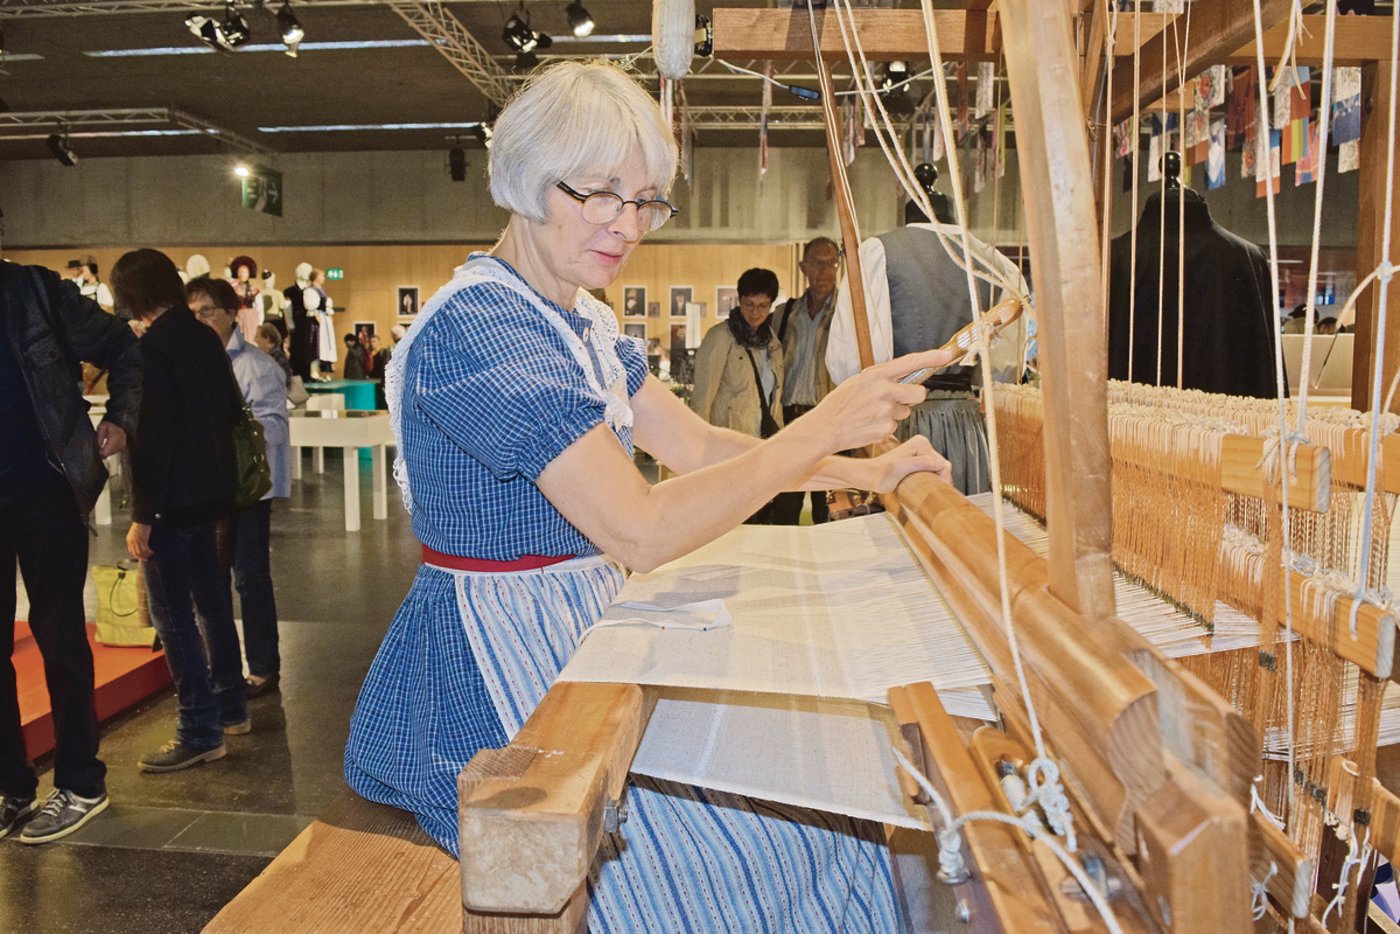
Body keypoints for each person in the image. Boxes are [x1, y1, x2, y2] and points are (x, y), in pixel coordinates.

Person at [343, 61, 950, 932]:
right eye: (599, 195)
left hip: (578, 625)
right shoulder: (481, 328)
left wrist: (869, 472)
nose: (626, 226)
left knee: (823, 824)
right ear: (523, 180)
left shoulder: (578, 321)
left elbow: (699, 445)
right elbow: (638, 527)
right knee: (743, 853)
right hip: (497, 659)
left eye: (645, 202)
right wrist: (824, 431)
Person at [0, 251, 141, 844]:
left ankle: (82, 781)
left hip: (46, 488)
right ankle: (11, 788)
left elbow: (128, 350)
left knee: (59, 634)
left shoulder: (36, 292)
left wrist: (123, 416)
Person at [114, 249, 249, 773]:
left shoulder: (152, 349)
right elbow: (226, 414)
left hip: (171, 503)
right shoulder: (202, 338)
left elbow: (153, 439)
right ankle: (232, 708)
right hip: (214, 494)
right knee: (213, 603)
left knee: (173, 617)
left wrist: (143, 514)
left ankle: (199, 727)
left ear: (132, 295)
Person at [827, 188, 1029, 494]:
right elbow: (1006, 368)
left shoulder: (879, 252)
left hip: (903, 421)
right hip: (967, 425)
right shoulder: (997, 263)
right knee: (965, 520)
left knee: (909, 518)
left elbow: (850, 363)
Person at [186, 278, 291, 698]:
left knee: (249, 578)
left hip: (247, 492)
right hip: (205, 490)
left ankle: (264, 667)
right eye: (191, 313)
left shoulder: (255, 365)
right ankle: (219, 667)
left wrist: (227, 432)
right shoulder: (190, 362)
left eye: (207, 311)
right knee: (207, 581)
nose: (199, 320)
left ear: (231, 312)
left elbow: (274, 430)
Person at [690, 268, 785, 523]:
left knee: (760, 519)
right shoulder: (720, 338)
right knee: (730, 521)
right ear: (738, 300)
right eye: (748, 304)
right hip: (728, 445)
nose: (755, 313)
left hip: (761, 445)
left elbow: (773, 399)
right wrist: (699, 455)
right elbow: (702, 398)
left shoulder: (772, 343)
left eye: (763, 306)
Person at [771, 236, 841, 525]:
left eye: (831, 264)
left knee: (829, 506)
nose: (824, 272)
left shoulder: (846, 314)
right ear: (804, 267)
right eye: (817, 264)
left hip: (830, 418)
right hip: (791, 419)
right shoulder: (785, 314)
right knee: (785, 503)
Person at [285, 262, 315, 381]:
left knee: (309, 348)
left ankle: (307, 374)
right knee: (296, 349)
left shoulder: (311, 290)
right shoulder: (290, 291)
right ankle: (296, 374)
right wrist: (291, 324)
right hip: (296, 322)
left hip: (308, 322)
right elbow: (287, 309)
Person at [306, 270, 337, 379]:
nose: (324, 277)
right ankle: (314, 371)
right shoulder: (311, 291)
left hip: (325, 320)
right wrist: (315, 314)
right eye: (322, 275)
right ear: (315, 277)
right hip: (318, 320)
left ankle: (326, 371)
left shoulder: (321, 291)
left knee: (326, 346)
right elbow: (311, 306)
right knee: (318, 345)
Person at [227, 256, 261, 342]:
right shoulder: (232, 289)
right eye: (240, 272)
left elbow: (259, 306)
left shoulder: (254, 290)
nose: (242, 274)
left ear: (249, 273)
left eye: (245, 272)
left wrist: (260, 322)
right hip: (238, 317)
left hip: (251, 318)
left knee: (251, 341)